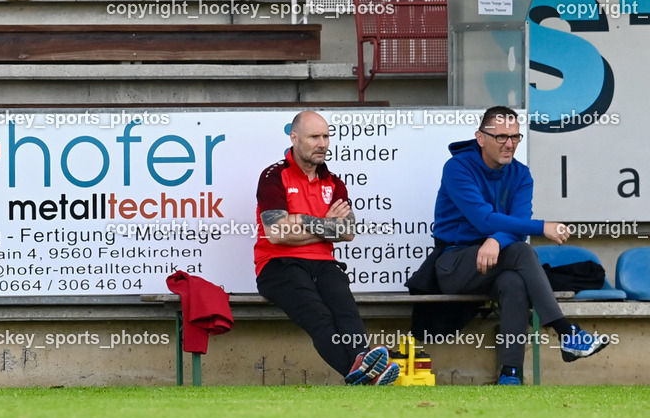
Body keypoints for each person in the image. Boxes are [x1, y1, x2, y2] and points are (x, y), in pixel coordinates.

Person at [430, 106, 609, 385]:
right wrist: (542, 227)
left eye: (515, 137)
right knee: (523, 251)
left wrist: (495, 241)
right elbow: (483, 219)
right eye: (501, 136)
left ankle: (510, 374)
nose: (509, 144)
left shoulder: (521, 174)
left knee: (514, 282)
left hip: (498, 263)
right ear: (480, 137)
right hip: (454, 264)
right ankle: (565, 332)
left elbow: (516, 221)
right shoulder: (457, 168)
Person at [255, 111, 399, 385]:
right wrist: (325, 227)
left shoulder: (333, 181)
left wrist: (302, 223)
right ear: (294, 138)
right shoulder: (274, 176)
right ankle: (362, 373)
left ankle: (360, 362)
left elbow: (347, 232)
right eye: (314, 137)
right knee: (319, 316)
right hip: (278, 265)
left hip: (323, 263)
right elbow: (276, 233)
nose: (322, 143)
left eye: (326, 136)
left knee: (345, 308)